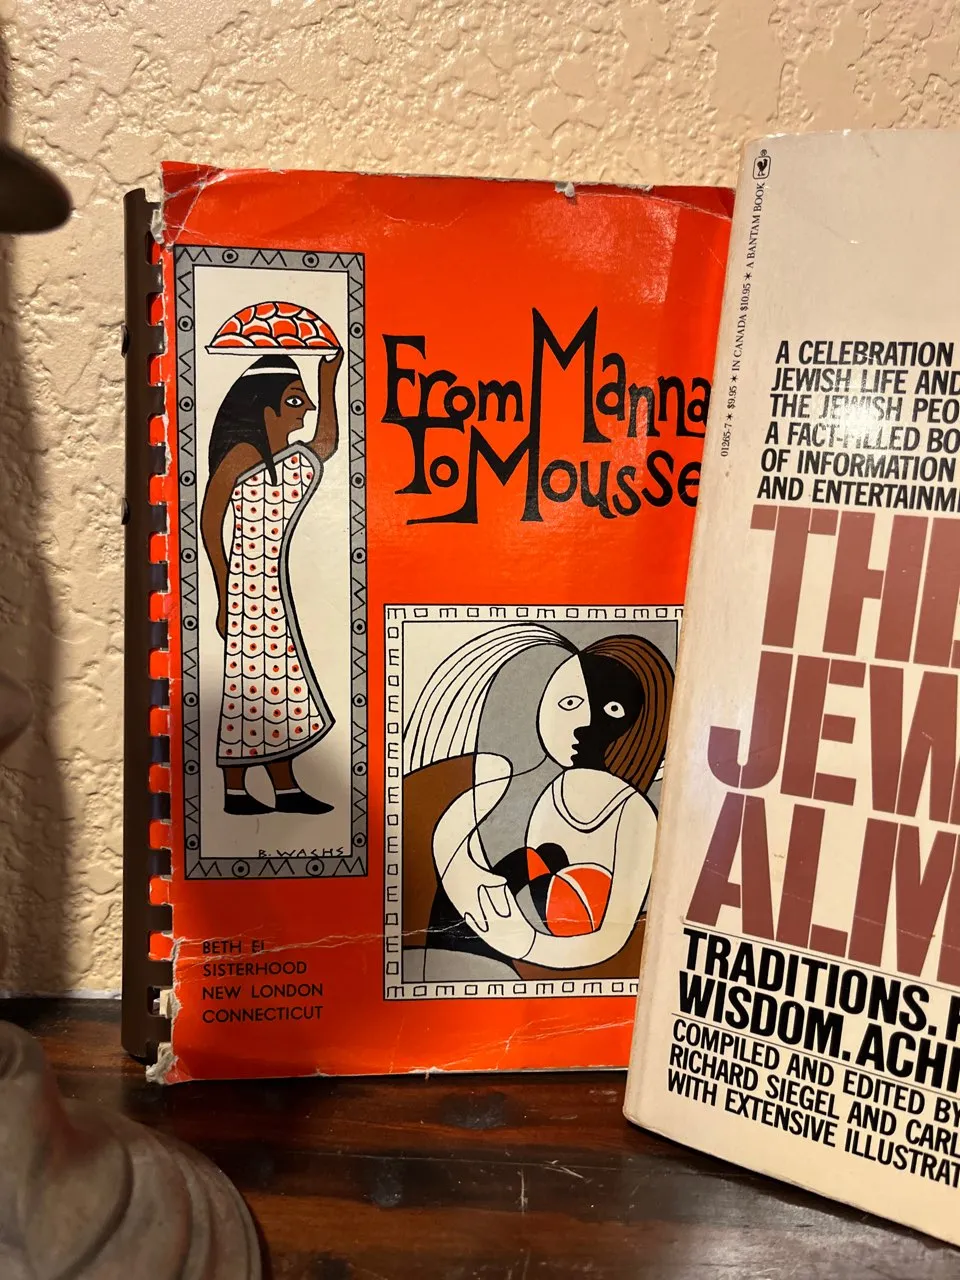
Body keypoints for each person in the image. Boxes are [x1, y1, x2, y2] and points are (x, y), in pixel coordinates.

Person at [402, 625, 673, 979]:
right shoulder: (549, 796)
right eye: (570, 704)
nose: (584, 723)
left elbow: (610, 938)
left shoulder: (634, 815)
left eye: (612, 709)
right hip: (508, 944)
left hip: (556, 963)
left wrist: (527, 944)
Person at [200, 349, 343, 814]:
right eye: (295, 400)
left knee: (280, 685)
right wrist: (224, 594)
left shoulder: (283, 459)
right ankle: (237, 790)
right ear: (266, 408)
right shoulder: (242, 455)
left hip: (271, 590)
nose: (307, 408)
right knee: (249, 692)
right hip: (246, 592)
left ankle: (283, 786)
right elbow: (210, 523)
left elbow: (325, 445)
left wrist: (326, 380)